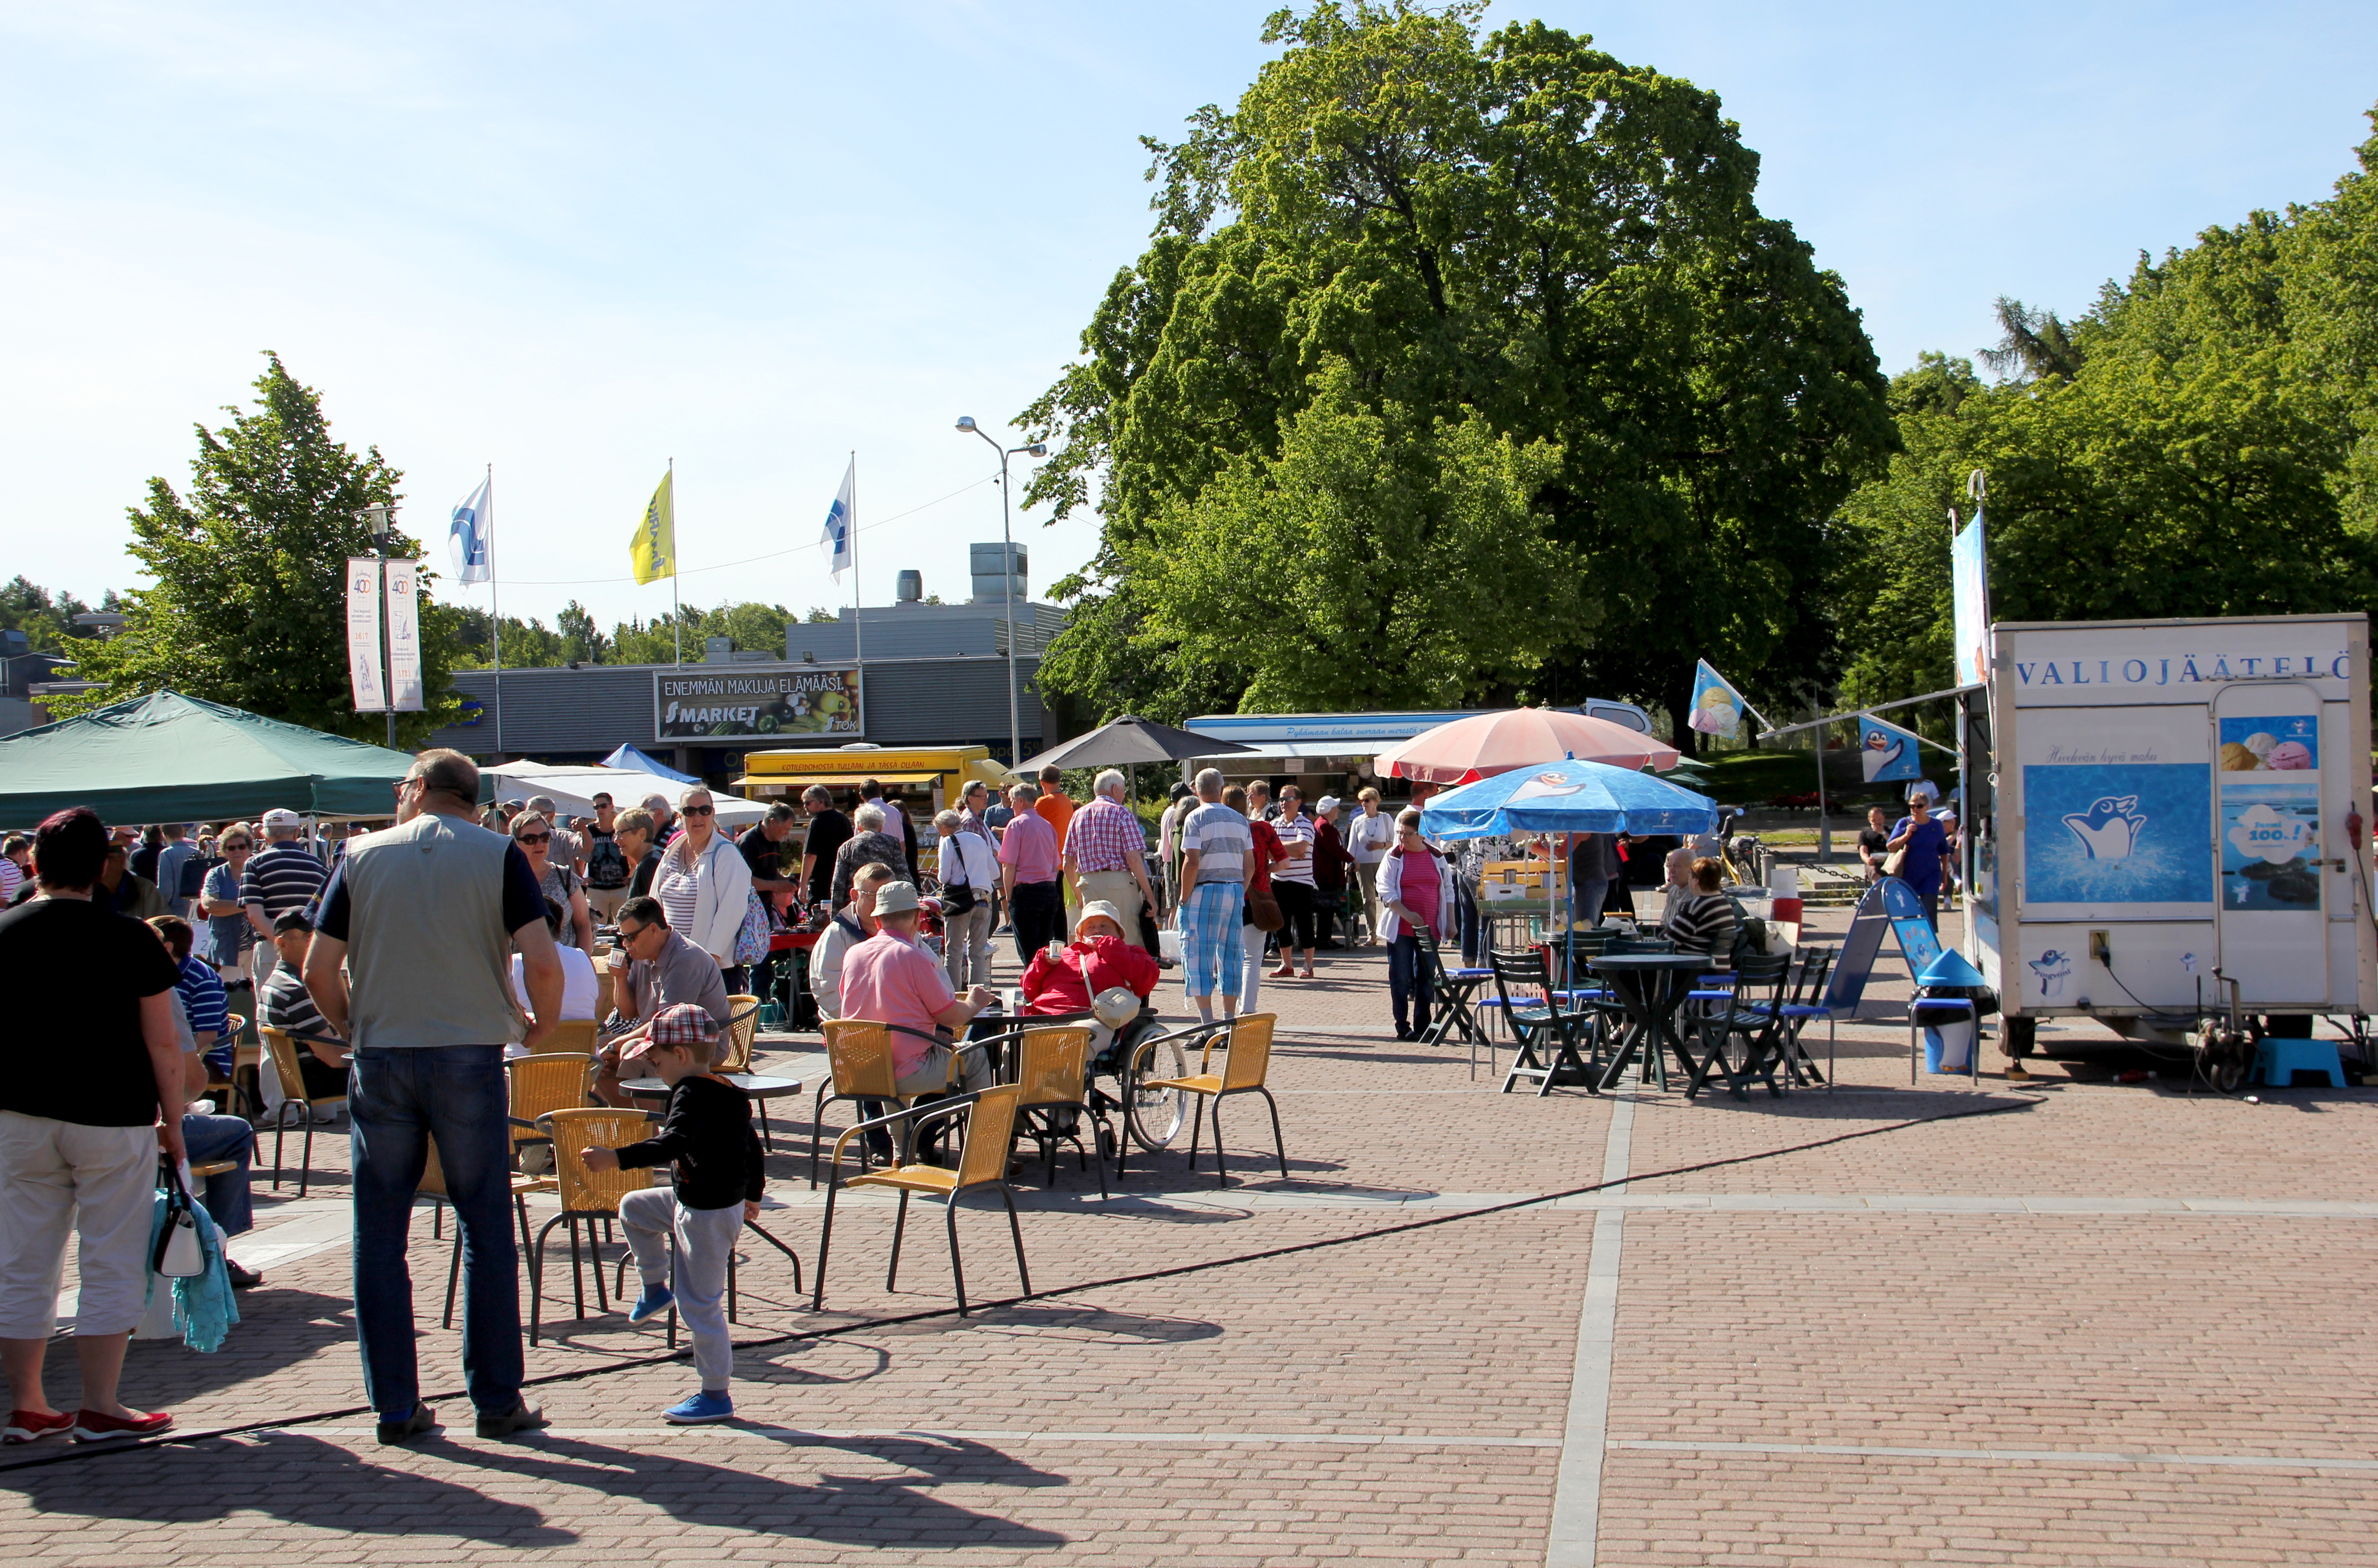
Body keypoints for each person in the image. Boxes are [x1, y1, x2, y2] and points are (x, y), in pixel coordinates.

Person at [301, 748, 562, 1446]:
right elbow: (541, 958)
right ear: (469, 798)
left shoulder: (359, 854)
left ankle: (394, 1405)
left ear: (418, 790)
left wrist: (350, 1024)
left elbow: (316, 967)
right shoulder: (498, 852)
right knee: (484, 1225)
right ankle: (497, 1400)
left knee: (379, 1235)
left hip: (383, 1052)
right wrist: (536, 1027)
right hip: (467, 1053)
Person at [0, 807, 187, 1445]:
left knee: (24, 1260)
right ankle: (99, 1403)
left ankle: (28, 1402)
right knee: (110, 1256)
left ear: (33, 864)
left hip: (21, 1113)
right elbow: (163, 1044)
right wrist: (175, 1121)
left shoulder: (5, 931)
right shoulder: (132, 937)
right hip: (113, 1114)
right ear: (104, 865)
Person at [583, 1003, 764, 1426]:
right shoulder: (727, 1088)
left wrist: (616, 1158)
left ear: (680, 1055)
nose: (653, 1065)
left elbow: (673, 1142)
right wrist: (752, 1192)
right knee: (634, 1207)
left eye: (656, 1059)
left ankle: (715, 1392)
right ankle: (654, 1287)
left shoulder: (690, 1093)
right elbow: (750, 1145)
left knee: (701, 1304)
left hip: (706, 1210)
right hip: (704, 1199)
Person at [145, 918, 262, 1285]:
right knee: (238, 1132)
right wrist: (174, 1119)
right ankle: (217, 1249)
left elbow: (207, 1041)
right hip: (141, 1125)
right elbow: (187, 1078)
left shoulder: (196, 978)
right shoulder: (164, 992)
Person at [836, 882, 996, 1096]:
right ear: (916, 919)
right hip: (908, 1072)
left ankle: (902, 1131)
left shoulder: (853, 955)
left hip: (861, 1069)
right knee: (974, 1057)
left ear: (877, 920)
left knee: (915, 1055)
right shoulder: (912, 956)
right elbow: (951, 1017)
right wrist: (974, 1003)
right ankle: (985, 1128)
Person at [598, 895, 732, 1106]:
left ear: (653, 930)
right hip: (664, 1037)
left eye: (631, 937)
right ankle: (632, 1127)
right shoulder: (642, 955)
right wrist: (620, 977)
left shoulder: (685, 959)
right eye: (621, 937)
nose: (625, 944)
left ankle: (651, 1126)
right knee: (592, 1049)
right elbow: (628, 1013)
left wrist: (616, 1046)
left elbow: (666, 1024)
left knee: (630, 1054)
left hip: (699, 1046)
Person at [650, 786, 756, 993]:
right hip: (671, 965)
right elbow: (654, 903)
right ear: (681, 816)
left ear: (713, 813)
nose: (697, 817)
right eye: (690, 811)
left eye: (704, 810)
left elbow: (731, 913)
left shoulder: (726, 854)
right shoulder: (672, 851)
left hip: (712, 970)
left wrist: (708, 963)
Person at [1174, 769, 1252, 1024]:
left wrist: (1185, 898)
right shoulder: (1240, 820)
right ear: (1221, 789)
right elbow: (1250, 864)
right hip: (1233, 889)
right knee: (1231, 955)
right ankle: (1229, 1021)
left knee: (1198, 956)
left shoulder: (1195, 818)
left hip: (1204, 890)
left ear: (1196, 790)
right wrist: (1240, 889)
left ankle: (1208, 1025)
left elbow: (1192, 862)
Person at [260, 911, 351, 1104]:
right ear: (282, 944)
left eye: (316, 937)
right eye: (306, 938)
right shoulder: (296, 990)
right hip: (319, 1080)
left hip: (298, 1080)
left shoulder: (274, 983)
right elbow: (333, 1057)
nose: (314, 944)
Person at [1063, 769, 1159, 952]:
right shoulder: (1122, 813)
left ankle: (1096, 978)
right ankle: (1125, 980)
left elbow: (1068, 863)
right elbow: (1134, 859)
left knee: (1093, 942)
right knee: (1128, 941)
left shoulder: (1078, 815)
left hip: (1088, 884)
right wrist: (1149, 894)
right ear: (1115, 789)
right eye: (1123, 791)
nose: (1123, 795)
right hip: (1119, 883)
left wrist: (1077, 894)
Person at [1378, 808, 1453, 1041]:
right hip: (1402, 927)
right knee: (1401, 976)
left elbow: (1448, 891)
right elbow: (1385, 890)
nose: (1402, 838)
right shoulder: (1394, 856)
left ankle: (1424, 1024)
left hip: (1431, 926)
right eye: (1400, 833)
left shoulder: (1437, 856)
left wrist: (1450, 923)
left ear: (1421, 834)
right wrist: (1407, 914)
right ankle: (1402, 1025)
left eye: (1407, 834)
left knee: (1426, 977)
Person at [1021, 901, 1161, 1017]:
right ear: (1081, 935)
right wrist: (1042, 963)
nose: (1097, 931)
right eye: (1090, 927)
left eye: (1104, 926)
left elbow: (1146, 982)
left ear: (1119, 933)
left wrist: (1110, 947)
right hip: (1047, 1014)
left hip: (1097, 1020)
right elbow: (1029, 992)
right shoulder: (1063, 953)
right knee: (1018, 1036)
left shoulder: (1131, 952)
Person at [242, 808, 327, 995]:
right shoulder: (316, 865)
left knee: (272, 1015)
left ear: (265, 835)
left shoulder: (255, 864)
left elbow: (255, 915)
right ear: (297, 832)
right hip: (311, 947)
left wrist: (285, 944)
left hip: (272, 947)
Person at [1227, 785, 1288, 1012]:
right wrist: (1266, 869)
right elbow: (1284, 862)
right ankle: (1248, 1009)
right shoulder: (1263, 829)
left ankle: (1227, 1012)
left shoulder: (1220, 830)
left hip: (1226, 896)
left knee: (1228, 958)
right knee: (1252, 959)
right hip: (1257, 898)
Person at [151, 915, 231, 1082]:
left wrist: (174, 1060)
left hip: (206, 1062)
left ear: (167, 948)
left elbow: (207, 1037)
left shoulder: (202, 980)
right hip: (171, 1053)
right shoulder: (158, 974)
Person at [811, 864, 896, 1019]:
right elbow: (829, 993)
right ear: (855, 896)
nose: (881, 902)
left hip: (900, 1024)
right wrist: (872, 1019)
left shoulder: (901, 928)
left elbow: (935, 977)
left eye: (886, 895)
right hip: (851, 1027)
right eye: (873, 895)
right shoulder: (836, 935)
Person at [996, 782, 1064, 965]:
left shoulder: (1016, 825)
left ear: (1020, 800)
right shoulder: (1047, 826)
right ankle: (1045, 989)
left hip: (1026, 892)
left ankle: (1032, 990)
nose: (1011, 806)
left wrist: (1010, 897)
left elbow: (1008, 866)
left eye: (1012, 802)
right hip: (1049, 891)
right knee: (1043, 951)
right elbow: (1055, 866)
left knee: (1029, 953)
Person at [933, 807, 997, 991]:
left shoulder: (948, 841)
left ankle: (955, 995)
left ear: (945, 827)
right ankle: (978, 994)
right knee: (977, 951)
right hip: (985, 896)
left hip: (960, 900)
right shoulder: (978, 839)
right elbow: (994, 872)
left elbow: (944, 877)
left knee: (954, 951)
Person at [511, 898, 601, 1025]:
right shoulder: (583, 957)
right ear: (560, 927)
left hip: (526, 1043)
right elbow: (601, 998)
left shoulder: (514, 963)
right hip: (582, 1043)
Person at [513, 813, 594, 952]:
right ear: (515, 842)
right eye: (530, 839)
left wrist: (583, 961)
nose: (540, 844)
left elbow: (583, 924)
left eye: (545, 837)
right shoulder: (505, 880)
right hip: (521, 969)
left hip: (566, 967)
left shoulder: (564, 876)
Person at [1268, 785, 1320, 979]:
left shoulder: (1305, 824)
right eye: (1281, 799)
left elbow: (1301, 847)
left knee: (1305, 923)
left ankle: (1308, 965)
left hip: (1302, 882)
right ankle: (1287, 965)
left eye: (1288, 800)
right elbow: (1266, 849)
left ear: (1299, 802)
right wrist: (1289, 851)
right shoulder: (1274, 824)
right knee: (1281, 925)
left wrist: (1278, 850)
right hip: (1278, 880)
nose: (1284, 804)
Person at [198, 825, 257, 986]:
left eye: (242, 847)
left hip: (257, 946)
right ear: (224, 851)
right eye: (231, 848)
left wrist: (229, 907)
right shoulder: (215, 875)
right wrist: (248, 905)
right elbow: (210, 905)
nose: (237, 851)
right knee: (230, 996)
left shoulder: (259, 872)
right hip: (227, 948)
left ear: (250, 848)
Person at [1885, 793, 1952, 926]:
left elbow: (1944, 852)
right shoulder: (1904, 823)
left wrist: (1944, 876)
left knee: (1929, 910)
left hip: (1931, 875)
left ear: (1927, 807)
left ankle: (1930, 942)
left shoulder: (1936, 825)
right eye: (1912, 806)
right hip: (1909, 875)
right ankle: (1912, 943)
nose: (1915, 809)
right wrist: (1906, 835)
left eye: (1919, 806)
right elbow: (1890, 847)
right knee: (1909, 914)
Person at [829, 801, 910, 911]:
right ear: (881, 827)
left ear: (859, 827)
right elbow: (904, 876)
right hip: (887, 902)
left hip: (857, 903)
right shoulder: (892, 843)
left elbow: (838, 884)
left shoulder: (847, 847)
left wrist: (837, 915)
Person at [1662, 857, 1741, 959]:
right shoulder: (1725, 903)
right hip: (1720, 965)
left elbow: (1668, 943)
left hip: (1692, 967)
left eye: (1690, 875)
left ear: (1696, 881)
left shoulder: (1694, 907)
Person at [1346, 787, 1392, 945]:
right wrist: (1349, 862)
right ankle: (1372, 934)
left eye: (1367, 800)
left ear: (1376, 802)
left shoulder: (1386, 819)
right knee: (1369, 899)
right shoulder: (1358, 821)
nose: (1364, 804)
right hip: (1363, 864)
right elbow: (1352, 845)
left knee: (1387, 897)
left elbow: (1395, 843)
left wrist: (1382, 845)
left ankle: (1389, 930)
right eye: (1362, 801)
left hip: (1383, 863)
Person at [739, 801, 801, 912]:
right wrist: (777, 886)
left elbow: (770, 871)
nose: (787, 833)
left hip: (765, 909)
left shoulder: (774, 839)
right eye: (786, 829)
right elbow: (745, 881)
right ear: (773, 823)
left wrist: (785, 881)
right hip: (747, 911)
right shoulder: (748, 842)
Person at [581, 793, 633, 923]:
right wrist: (582, 878)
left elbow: (634, 855)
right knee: (597, 928)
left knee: (625, 925)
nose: (600, 810)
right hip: (597, 889)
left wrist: (631, 876)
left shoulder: (621, 828)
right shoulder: (590, 830)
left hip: (620, 888)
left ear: (611, 806)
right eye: (596, 807)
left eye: (603, 806)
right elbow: (580, 858)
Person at [799, 785, 852, 909]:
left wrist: (803, 886)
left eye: (808, 803)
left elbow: (810, 856)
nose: (805, 807)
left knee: (818, 922)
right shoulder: (843, 819)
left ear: (821, 802)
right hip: (841, 881)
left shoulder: (817, 822)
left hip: (820, 884)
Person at [1312, 797, 1354, 950]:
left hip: (1327, 873)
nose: (1338, 811)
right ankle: (1323, 939)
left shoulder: (1323, 825)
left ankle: (1325, 937)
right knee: (1327, 907)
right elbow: (1335, 849)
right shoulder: (1324, 826)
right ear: (1329, 810)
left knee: (1328, 908)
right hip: (1326, 874)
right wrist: (1352, 860)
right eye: (1336, 808)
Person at [859, 779, 920, 878]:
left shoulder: (862, 814)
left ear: (861, 796)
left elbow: (858, 843)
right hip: (892, 866)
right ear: (880, 793)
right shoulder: (895, 812)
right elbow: (902, 845)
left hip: (869, 868)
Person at [97, 841, 167, 922]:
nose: (101, 865)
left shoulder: (145, 889)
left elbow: (161, 926)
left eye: (107, 859)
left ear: (122, 859)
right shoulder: (87, 890)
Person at [1569, 831, 1612, 933]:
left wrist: (1538, 849)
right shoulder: (1588, 829)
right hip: (1591, 882)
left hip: (1590, 883)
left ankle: (1589, 948)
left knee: (1585, 927)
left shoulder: (1583, 830)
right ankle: (1589, 947)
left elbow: (1560, 853)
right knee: (1585, 925)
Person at [615, 807, 661, 902]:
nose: (616, 840)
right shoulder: (651, 861)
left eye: (621, 833)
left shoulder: (649, 865)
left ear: (642, 834)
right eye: (616, 834)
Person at [153, 825, 199, 919]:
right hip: (195, 909)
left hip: (174, 910)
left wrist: (160, 908)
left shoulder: (167, 854)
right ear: (183, 833)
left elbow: (166, 889)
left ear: (164, 835)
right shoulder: (197, 853)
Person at [525, 797, 578, 873]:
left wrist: (584, 830)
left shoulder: (565, 837)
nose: (530, 818)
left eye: (536, 814)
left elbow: (586, 851)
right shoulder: (520, 838)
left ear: (551, 816)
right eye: (528, 813)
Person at [1857, 806, 1893, 883]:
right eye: (1874, 820)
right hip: (1874, 863)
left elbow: (1895, 844)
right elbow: (1863, 851)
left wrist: (1883, 833)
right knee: (1874, 871)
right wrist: (1867, 859)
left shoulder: (1891, 831)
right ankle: (1878, 891)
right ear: (1869, 820)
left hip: (1891, 861)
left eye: (1879, 819)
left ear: (1884, 818)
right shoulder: (1865, 834)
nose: (1877, 822)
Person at [0, 832, 29, 904]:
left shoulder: (12, 867)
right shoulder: (7, 867)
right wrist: (11, 908)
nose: (27, 857)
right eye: (26, 853)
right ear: (21, 852)